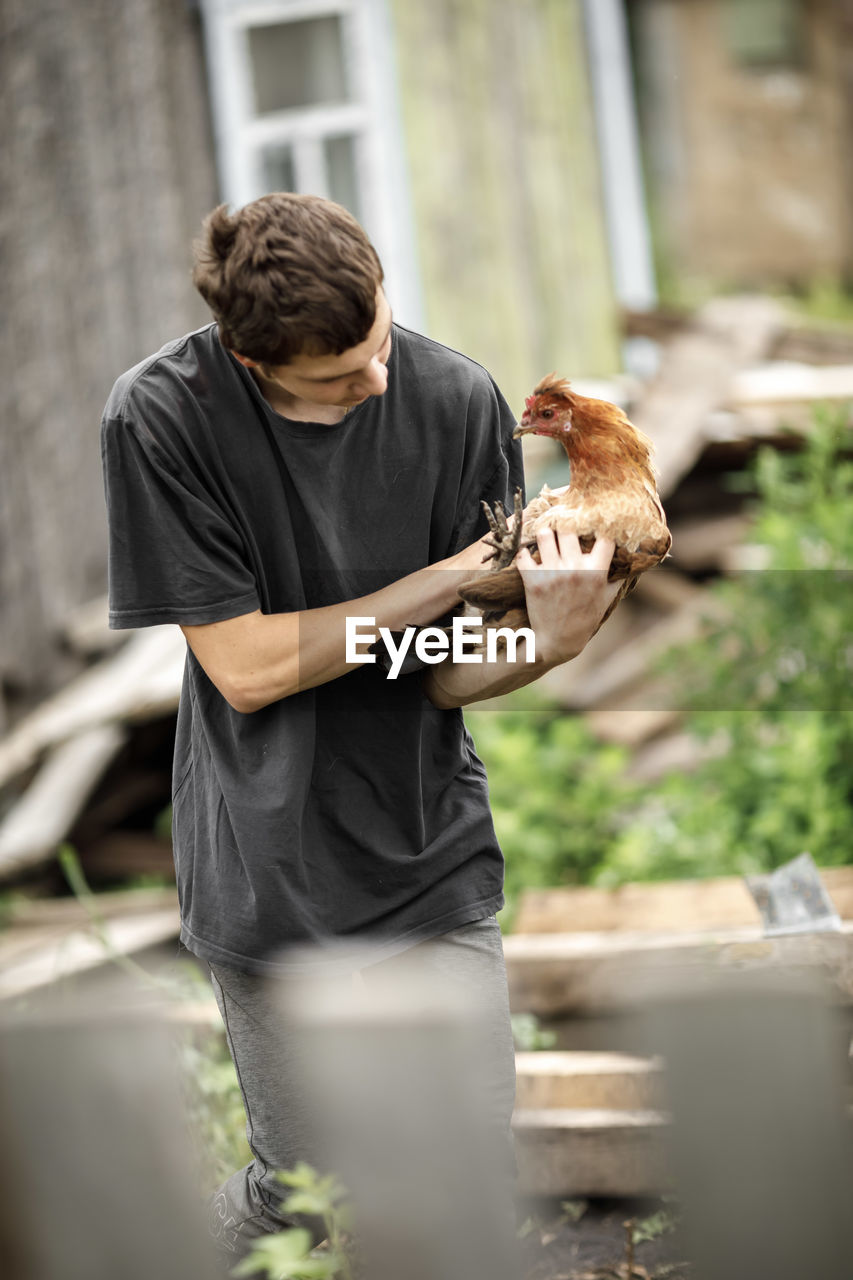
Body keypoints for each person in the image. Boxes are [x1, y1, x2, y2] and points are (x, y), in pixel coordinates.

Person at [100, 193, 619, 1271]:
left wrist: (552, 643)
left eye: (379, 340)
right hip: (265, 857)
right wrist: (449, 575)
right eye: (337, 377)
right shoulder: (161, 416)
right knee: (298, 1186)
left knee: (468, 1170)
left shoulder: (457, 399)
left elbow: (435, 675)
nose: (377, 380)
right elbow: (243, 671)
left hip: (426, 845)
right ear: (251, 361)